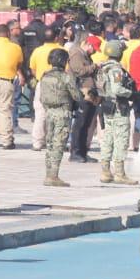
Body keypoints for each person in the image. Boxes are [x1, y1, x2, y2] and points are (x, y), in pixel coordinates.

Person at [37, 48, 81, 187]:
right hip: (62, 113)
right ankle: (53, 176)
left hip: (49, 112)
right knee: (58, 144)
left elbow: (41, 97)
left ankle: (48, 174)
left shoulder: (45, 76)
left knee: (50, 143)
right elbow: (77, 96)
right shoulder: (66, 77)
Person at [96, 41, 138, 185]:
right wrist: (132, 94)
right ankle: (120, 173)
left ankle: (105, 171)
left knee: (108, 138)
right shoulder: (116, 70)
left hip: (107, 106)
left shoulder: (103, 68)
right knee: (121, 139)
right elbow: (117, 89)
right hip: (119, 107)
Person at [66, 28, 98, 162]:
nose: (94, 51)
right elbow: (79, 71)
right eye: (93, 48)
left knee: (86, 124)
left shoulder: (85, 55)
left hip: (88, 93)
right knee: (80, 123)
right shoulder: (76, 53)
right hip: (81, 92)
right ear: (86, 43)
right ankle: (75, 152)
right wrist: (94, 67)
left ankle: (83, 152)